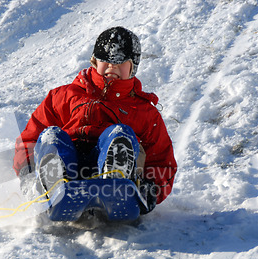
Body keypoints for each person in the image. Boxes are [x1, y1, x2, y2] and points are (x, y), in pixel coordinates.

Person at [13, 26, 177, 214]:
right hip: (69, 169)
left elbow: (162, 162)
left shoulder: (143, 111)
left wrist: (152, 189)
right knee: (51, 137)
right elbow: (30, 139)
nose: (112, 66)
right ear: (94, 61)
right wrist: (27, 174)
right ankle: (53, 184)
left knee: (120, 135)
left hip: (107, 168)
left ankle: (117, 181)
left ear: (133, 66)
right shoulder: (64, 96)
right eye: (105, 60)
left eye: (121, 62)